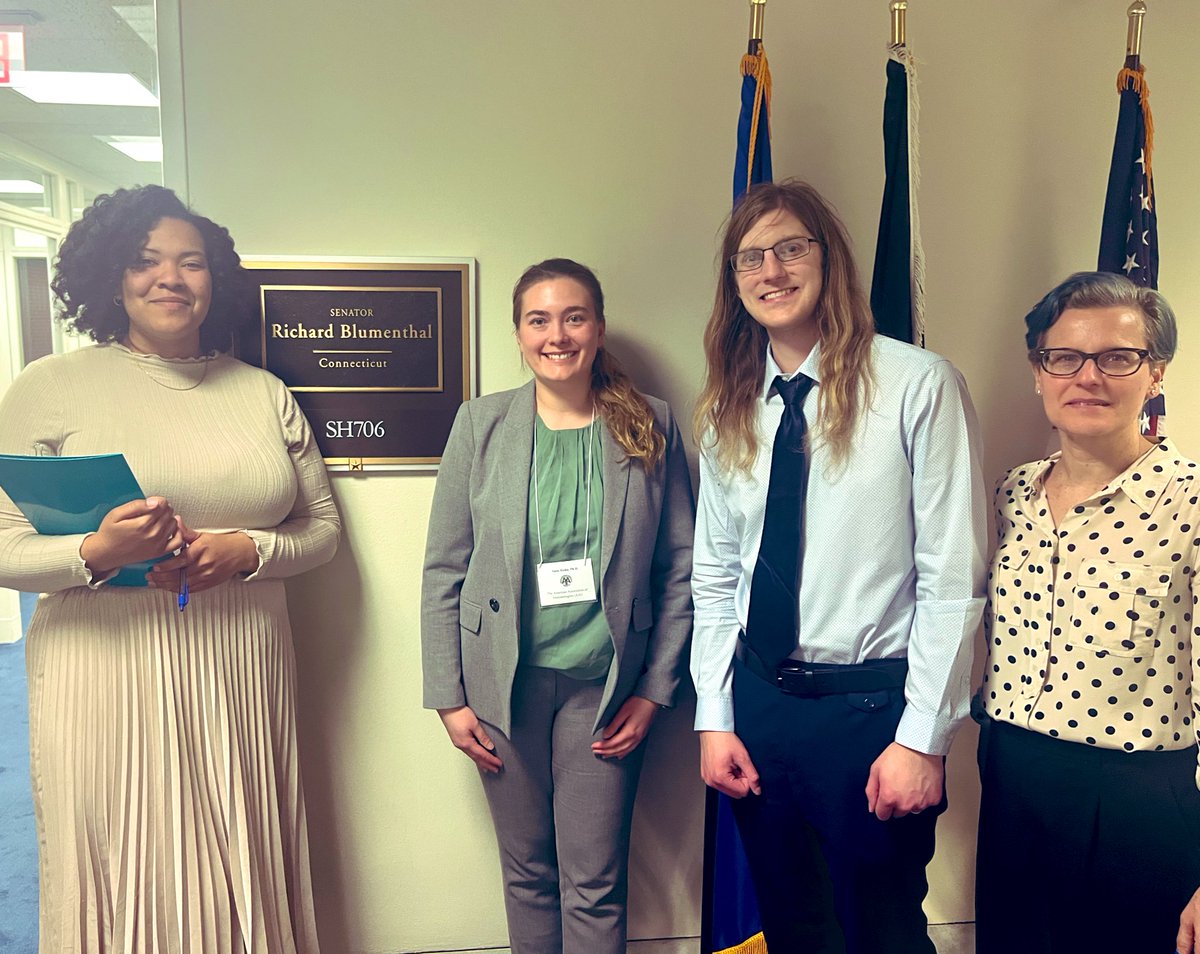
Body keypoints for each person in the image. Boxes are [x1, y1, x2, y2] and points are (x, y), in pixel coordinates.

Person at [0, 185, 340, 953]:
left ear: (215, 279)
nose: (170, 279)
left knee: (241, 856)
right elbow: (4, 547)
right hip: (104, 670)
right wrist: (97, 553)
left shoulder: (262, 392)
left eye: (191, 263)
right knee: (126, 857)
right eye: (145, 261)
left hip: (239, 662)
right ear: (109, 279)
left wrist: (249, 550)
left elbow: (321, 530)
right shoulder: (48, 386)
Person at [690, 179, 986, 953]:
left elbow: (954, 577)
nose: (771, 270)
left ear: (829, 259)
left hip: (870, 716)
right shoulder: (729, 405)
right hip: (761, 707)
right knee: (793, 928)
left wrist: (923, 739)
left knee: (879, 930)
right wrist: (715, 717)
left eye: (790, 248)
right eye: (749, 258)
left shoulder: (918, 385)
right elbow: (717, 575)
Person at [421, 258, 694, 954]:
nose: (557, 334)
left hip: (603, 690)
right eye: (539, 320)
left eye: (573, 317)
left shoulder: (651, 425)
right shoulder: (479, 426)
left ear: (598, 329)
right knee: (527, 875)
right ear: (518, 334)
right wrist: (450, 699)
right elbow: (445, 567)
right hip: (500, 689)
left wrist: (656, 692)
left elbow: (681, 570)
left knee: (595, 879)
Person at [975, 271, 1200, 954]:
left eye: (1117, 357)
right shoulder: (1011, 493)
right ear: (1039, 372)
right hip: (1012, 776)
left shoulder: (1190, 501)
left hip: (1138, 799)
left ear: (1155, 373)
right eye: (1064, 357)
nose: (1088, 377)